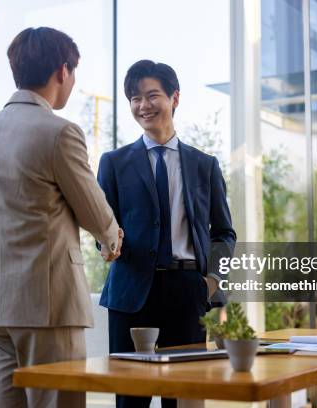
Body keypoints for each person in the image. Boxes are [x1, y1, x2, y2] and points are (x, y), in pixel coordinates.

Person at [0, 27, 122, 408]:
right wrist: (112, 240)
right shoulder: (59, 133)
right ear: (62, 72)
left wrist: (2, 269)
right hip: (48, 305)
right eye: (74, 74)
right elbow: (94, 212)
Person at [97, 60, 236, 408]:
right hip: (131, 294)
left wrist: (212, 280)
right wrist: (106, 243)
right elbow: (103, 223)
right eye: (134, 98)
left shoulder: (204, 165)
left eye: (152, 95)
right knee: (131, 398)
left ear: (174, 98)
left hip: (188, 291)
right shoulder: (113, 163)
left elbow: (224, 232)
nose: (143, 105)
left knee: (184, 395)